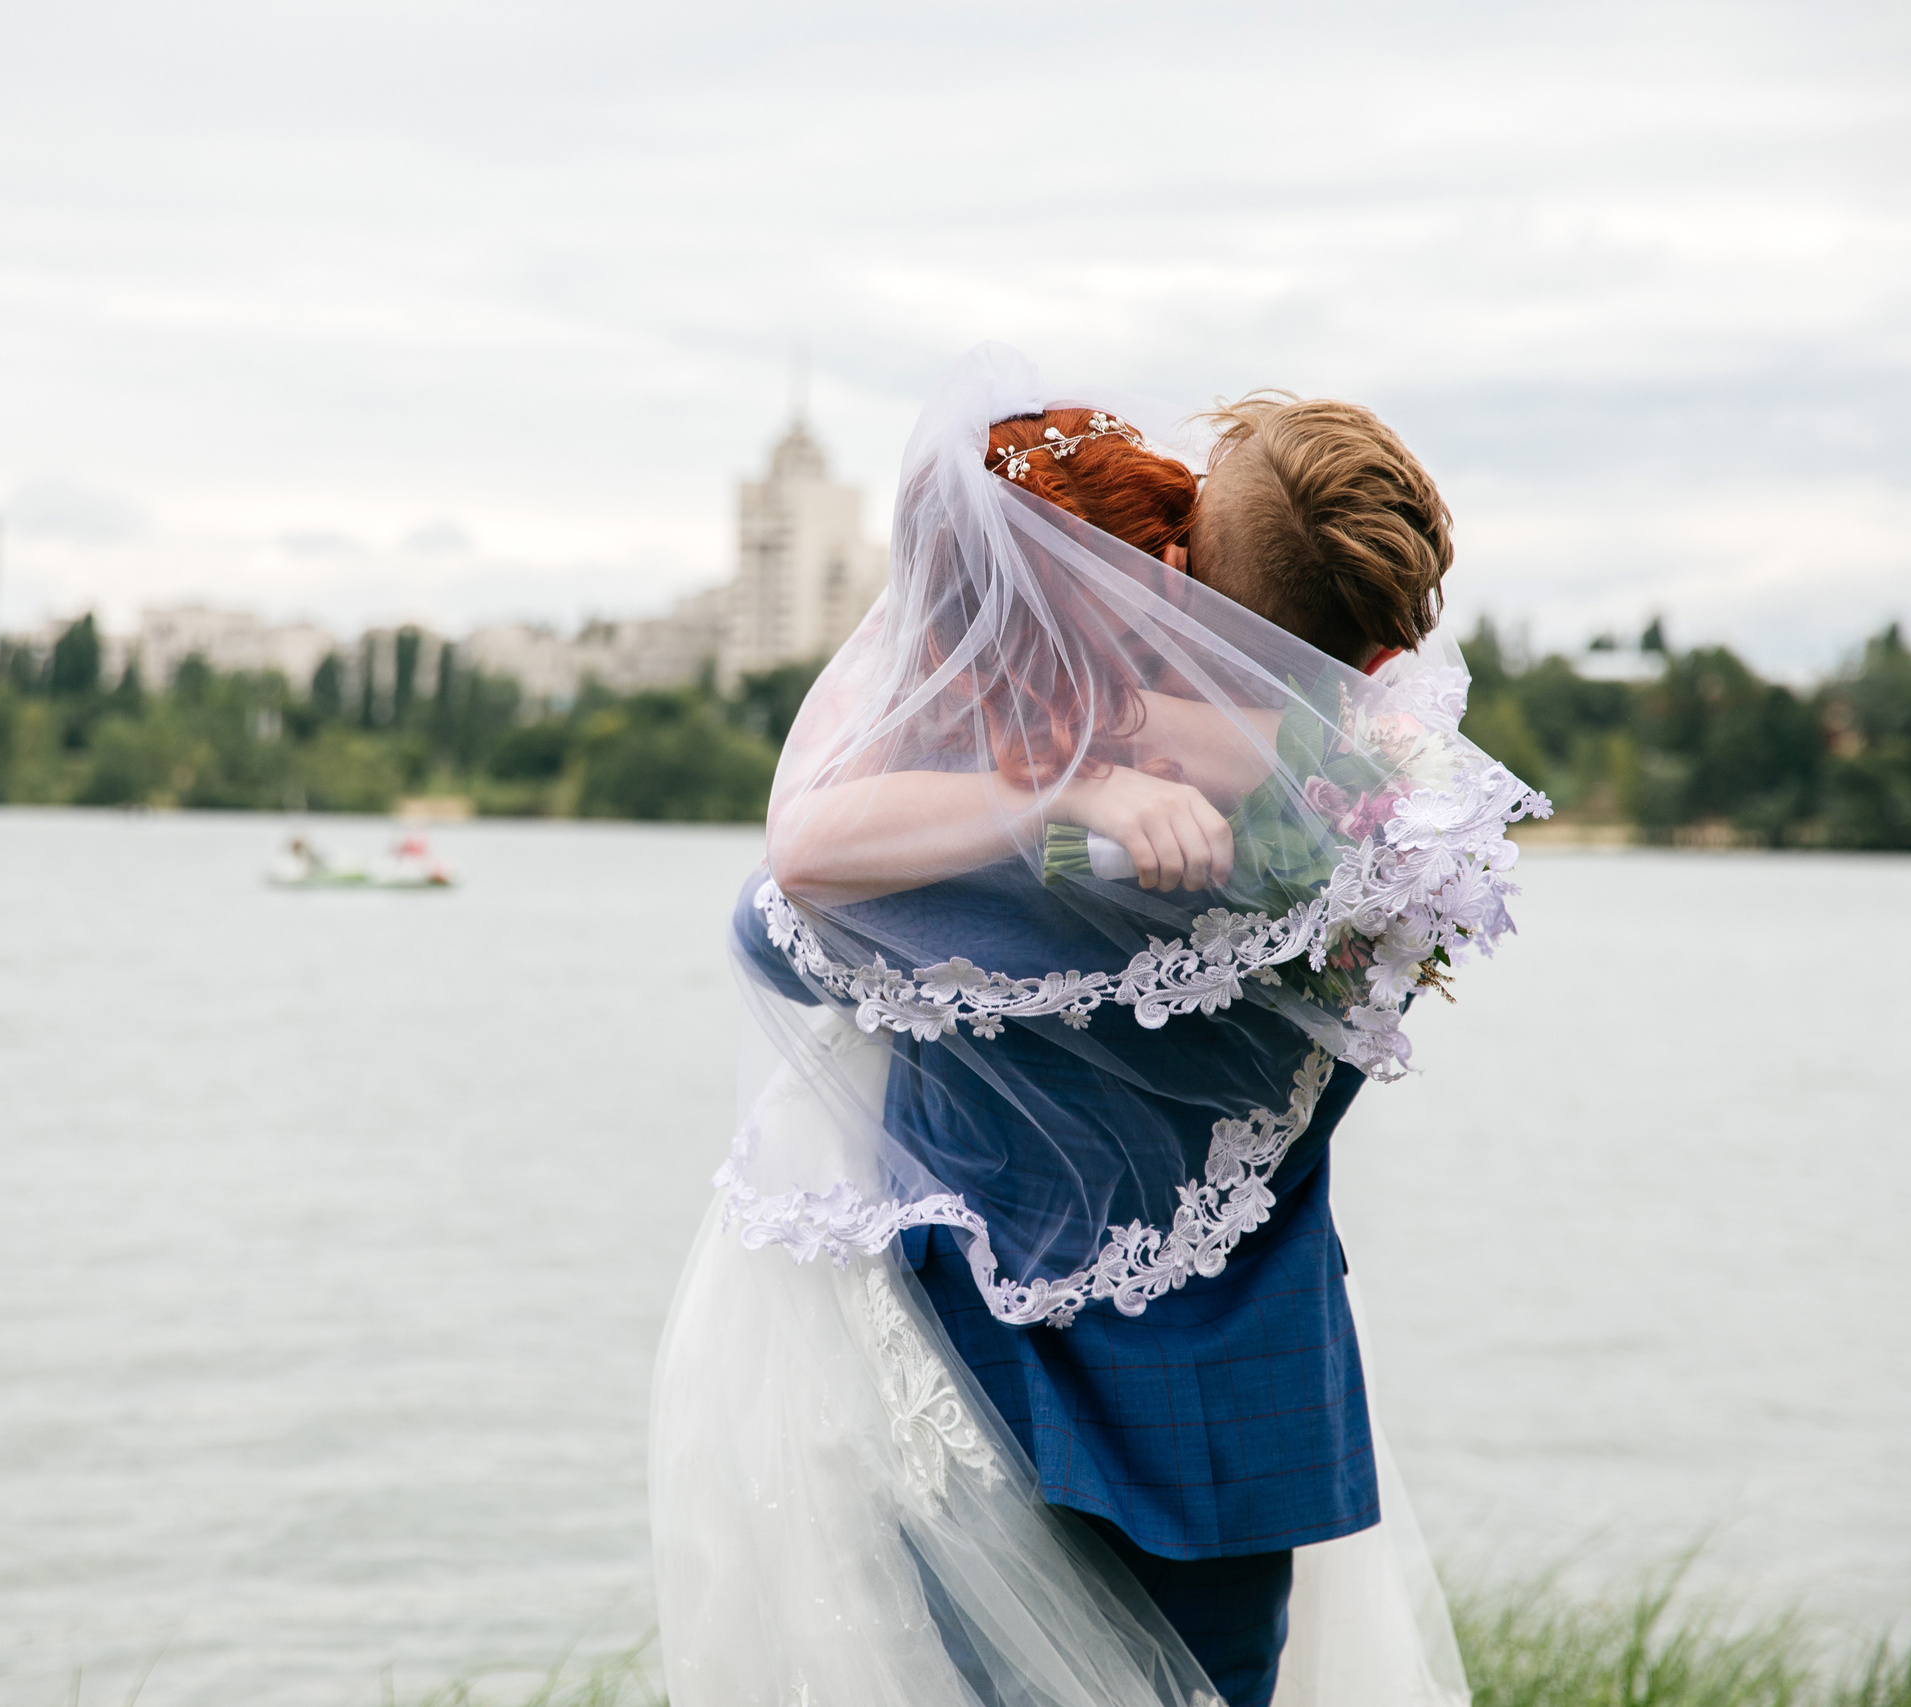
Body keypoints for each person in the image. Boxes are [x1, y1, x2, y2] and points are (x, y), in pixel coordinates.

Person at [650, 346, 1543, 1707]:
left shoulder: (1052, 841)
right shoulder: (1401, 809)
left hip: (995, 1401)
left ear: (1175, 584)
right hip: (1249, 1418)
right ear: (1383, 646)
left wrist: (1045, 780)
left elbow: (776, 921)